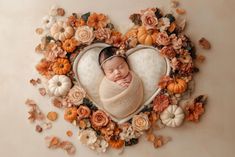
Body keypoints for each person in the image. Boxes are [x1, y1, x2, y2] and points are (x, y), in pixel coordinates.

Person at [98, 46, 144, 119]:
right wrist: (117, 85)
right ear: (104, 73)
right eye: (111, 71)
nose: (117, 72)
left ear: (127, 64)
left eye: (121, 67)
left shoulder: (132, 76)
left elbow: (136, 85)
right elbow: (104, 94)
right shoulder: (106, 85)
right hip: (116, 108)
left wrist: (129, 84)